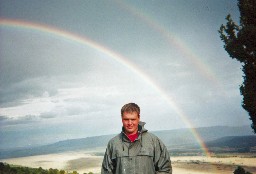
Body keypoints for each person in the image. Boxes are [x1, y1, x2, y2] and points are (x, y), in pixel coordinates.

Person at [101, 103, 172, 174]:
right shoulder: (113, 143)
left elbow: (165, 168)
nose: (129, 123)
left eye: (133, 119)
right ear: (122, 119)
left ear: (139, 118)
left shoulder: (153, 141)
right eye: (126, 119)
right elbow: (106, 171)